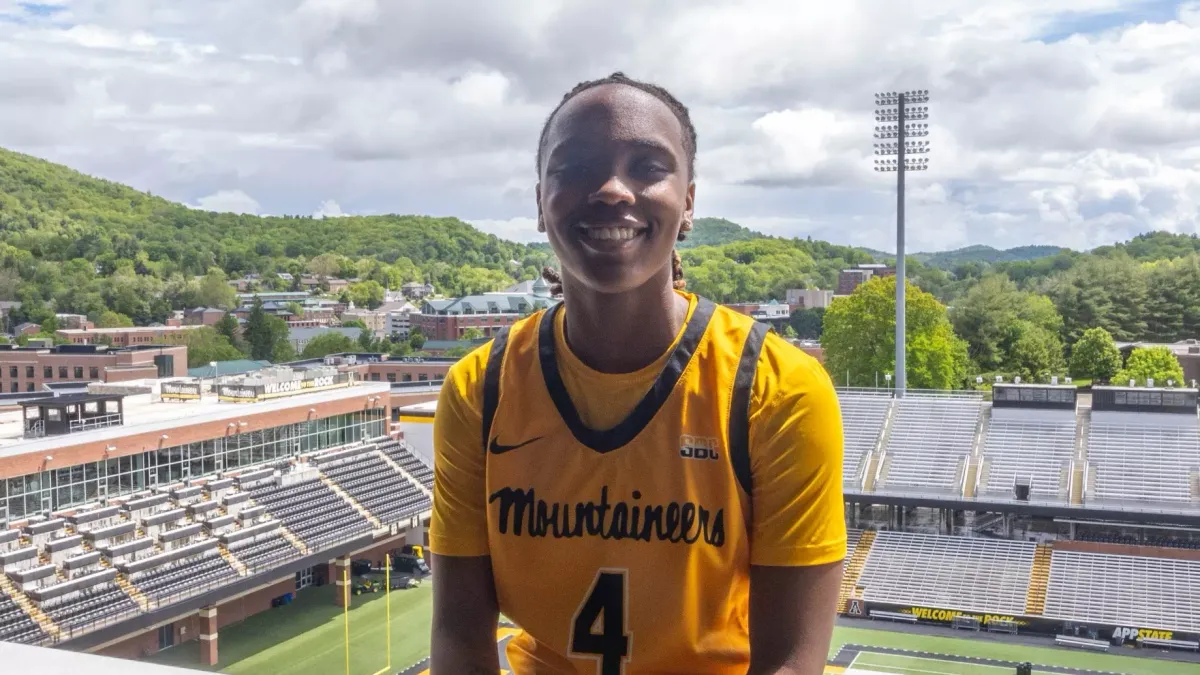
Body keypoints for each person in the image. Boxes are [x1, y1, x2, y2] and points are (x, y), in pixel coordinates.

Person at [430, 72, 846, 675]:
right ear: (540, 202)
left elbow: (790, 661)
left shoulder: (776, 389)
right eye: (576, 167)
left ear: (689, 202)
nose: (611, 189)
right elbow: (458, 640)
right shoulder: (481, 389)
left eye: (648, 167)